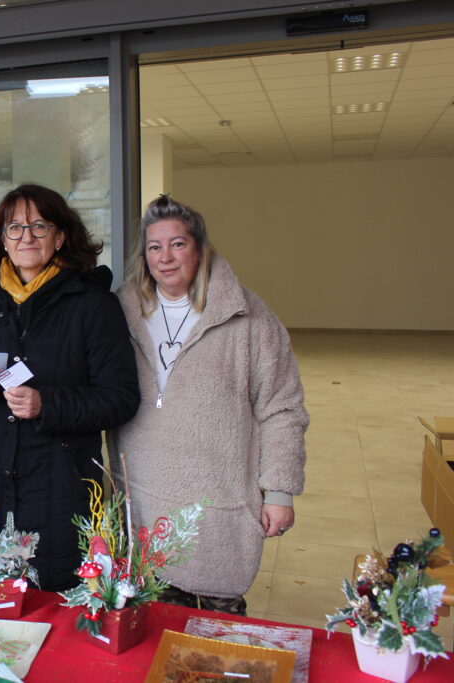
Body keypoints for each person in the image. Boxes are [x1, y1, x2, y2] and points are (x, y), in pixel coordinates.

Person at [0, 183, 140, 592]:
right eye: (14, 227)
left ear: (60, 236)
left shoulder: (93, 305)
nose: (26, 236)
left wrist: (47, 403)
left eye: (38, 225)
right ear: (3, 241)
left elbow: (120, 398)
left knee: (56, 618)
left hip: (59, 490)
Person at [112, 194, 308, 615]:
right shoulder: (120, 314)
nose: (165, 257)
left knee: (214, 645)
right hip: (142, 504)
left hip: (216, 508)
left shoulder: (249, 319)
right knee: (146, 638)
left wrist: (279, 491)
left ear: (200, 248)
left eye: (177, 244)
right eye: (154, 247)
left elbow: (283, 407)